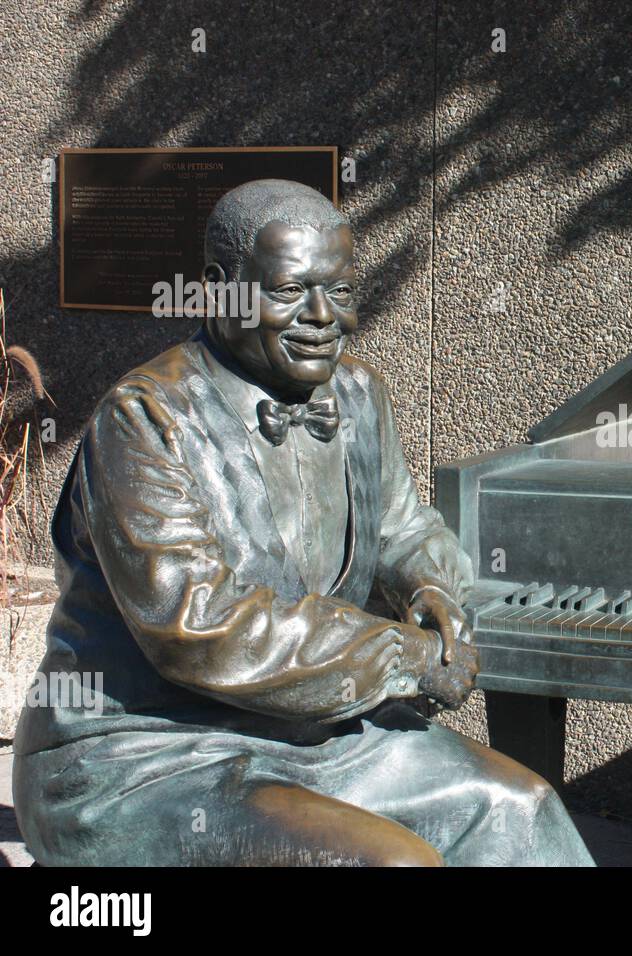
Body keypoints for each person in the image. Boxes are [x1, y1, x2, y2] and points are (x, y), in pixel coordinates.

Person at [13, 179, 594, 866]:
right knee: (391, 864)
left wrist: (433, 595)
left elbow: (405, 531)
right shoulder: (144, 420)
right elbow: (198, 627)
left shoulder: (357, 394)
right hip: (146, 752)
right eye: (290, 291)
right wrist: (405, 657)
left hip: (318, 729)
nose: (325, 317)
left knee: (520, 810)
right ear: (218, 290)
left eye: (342, 292)